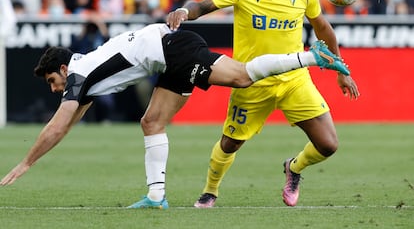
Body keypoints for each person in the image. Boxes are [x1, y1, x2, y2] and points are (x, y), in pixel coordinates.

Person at [0, 22, 350, 210]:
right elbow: (68, 124)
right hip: (166, 55)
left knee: (242, 77)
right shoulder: (84, 76)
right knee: (151, 122)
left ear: (62, 68)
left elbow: (59, 124)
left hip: (173, 50)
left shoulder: (78, 75)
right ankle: (156, 197)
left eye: (52, 81)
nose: (54, 88)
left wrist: (26, 163)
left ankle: (310, 57)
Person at [166, 0, 360, 208]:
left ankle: (294, 168)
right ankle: (210, 191)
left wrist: (341, 69)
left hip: (294, 80)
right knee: (229, 143)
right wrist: (185, 10)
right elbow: (205, 5)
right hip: (251, 81)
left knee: (328, 145)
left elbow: (323, 28)